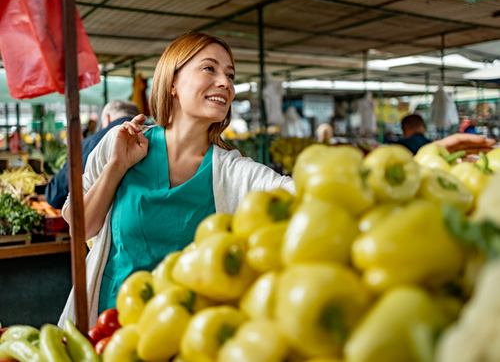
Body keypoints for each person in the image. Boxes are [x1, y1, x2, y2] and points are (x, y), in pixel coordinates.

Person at [58, 32, 495, 328]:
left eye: (230, 75)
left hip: (189, 333)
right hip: (108, 324)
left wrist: (428, 159)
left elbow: (308, 189)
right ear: (172, 81)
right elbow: (82, 227)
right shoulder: (123, 144)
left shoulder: (230, 169)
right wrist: (115, 166)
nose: (224, 83)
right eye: (209, 69)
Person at [45, 100, 140, 209]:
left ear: (107, 117)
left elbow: (56, 195)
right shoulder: (157, 135)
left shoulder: (91, 143)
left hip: (108, 219)